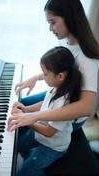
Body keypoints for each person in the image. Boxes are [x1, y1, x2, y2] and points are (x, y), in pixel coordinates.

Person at [7, 0, 99, 131]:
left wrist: (35, 116)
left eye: (52, 22)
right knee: (19, 105)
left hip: (71, 112)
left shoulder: (87, 59)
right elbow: (62, 68)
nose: (50, 28)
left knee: (23, 120)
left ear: (68, 17)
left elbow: (86, 107)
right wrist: (37, 77)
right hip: (62, 95)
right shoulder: (66, 41)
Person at [8, 46, 83, 176]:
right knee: (20, 145)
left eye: (45, 74)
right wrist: (26, 109)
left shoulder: (64, 102)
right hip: (41, 132)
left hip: (52, 147)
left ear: (60, 76)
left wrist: (28, 120)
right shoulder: (57, 87)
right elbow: (45, 103)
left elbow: (49, 132)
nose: (42, 77)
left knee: (26, 172)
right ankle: (30, 158)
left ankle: (34, 165)